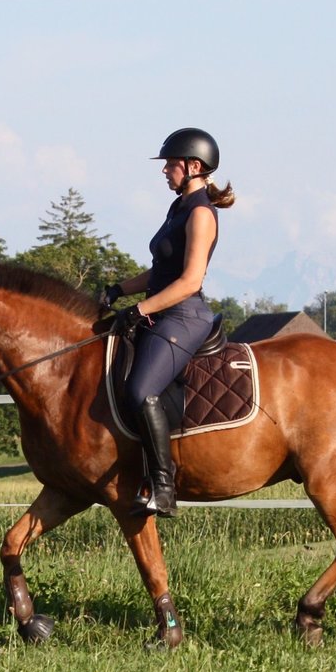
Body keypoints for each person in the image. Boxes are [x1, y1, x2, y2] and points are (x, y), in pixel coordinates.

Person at [99, 128, 235, 518]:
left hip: (184, 315)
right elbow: (160, 271)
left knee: (141, 391)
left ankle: (164, 486)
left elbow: (190, 281)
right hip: (163, 309)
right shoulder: (178, 208)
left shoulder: (200, 214)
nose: (164, 172)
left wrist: (140, 311)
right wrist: (117, 290)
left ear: (193, 166)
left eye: (170, 165)